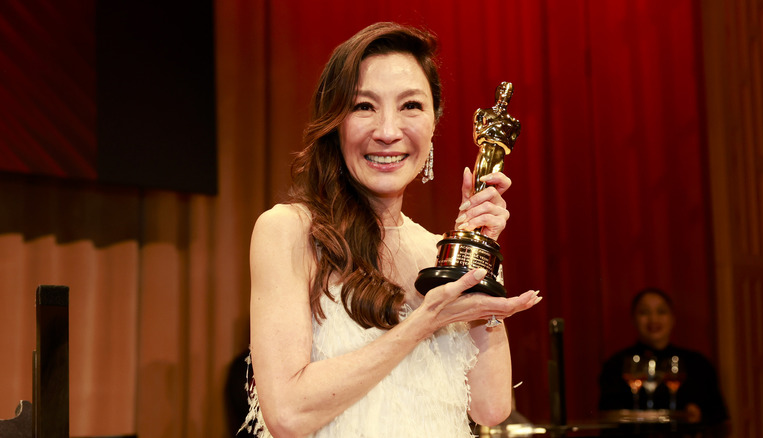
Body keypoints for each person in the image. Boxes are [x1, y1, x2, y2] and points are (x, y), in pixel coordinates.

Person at [239, 22, 542, 438]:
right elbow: (288, 413)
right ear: (336, 122)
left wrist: (481, 254)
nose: (387, 131)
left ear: (435, 121)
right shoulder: (289, 231)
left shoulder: (441, 250)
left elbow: (490, 406)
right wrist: (423, 322)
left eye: (410, 106)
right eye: (364, 106)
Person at [598, 287, 728, 425]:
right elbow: (608, 415)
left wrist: (698, 414)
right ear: (633, 319)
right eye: (644, 312)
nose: (653, 319)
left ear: (673, 318)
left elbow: (719, 415)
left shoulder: (697, 363)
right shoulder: (617, 364)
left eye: (661, 312)